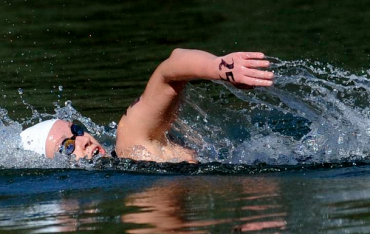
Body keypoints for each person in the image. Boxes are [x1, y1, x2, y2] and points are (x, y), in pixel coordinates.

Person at [20, 49, 274, 163]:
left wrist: (221, 68)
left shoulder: (130, 141)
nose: (83, 140)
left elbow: (170, 70)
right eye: (67, 147)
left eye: (76, 130)